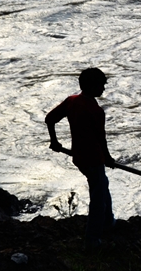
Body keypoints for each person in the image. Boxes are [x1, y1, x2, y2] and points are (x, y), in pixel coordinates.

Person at [45, 67, 116, 248]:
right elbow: (101, 139)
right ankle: (93, 240)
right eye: (101, 85)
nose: (104, 89)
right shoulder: (96, 111)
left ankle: (109, 222)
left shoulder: (72, 101)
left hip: (79, 157)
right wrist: (108, 158)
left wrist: (55, 142)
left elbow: (50, 119)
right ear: (92, 87)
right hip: (94, 159)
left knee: (102, 185)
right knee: (98, 198)